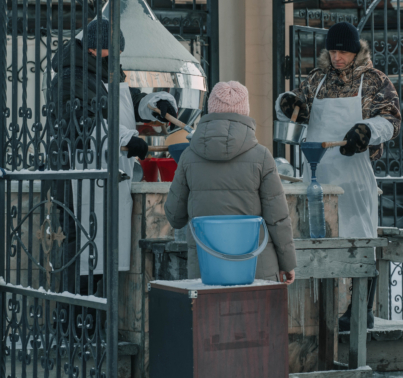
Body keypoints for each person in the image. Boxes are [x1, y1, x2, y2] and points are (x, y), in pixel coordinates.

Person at [274, 21, 401, 329]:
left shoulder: (374, 80)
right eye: (333, 51)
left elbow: (392, 119)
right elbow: (295, 111)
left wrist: (366, 131)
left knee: (359, 238)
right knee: (315, 236)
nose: (337, 57)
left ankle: (359, 309)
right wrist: (286, 103)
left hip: (354, 173)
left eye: (343, 52)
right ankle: (318, 309)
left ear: (355, 50)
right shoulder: (316, 79)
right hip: (317, 170)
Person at [48, 18, 178, 295]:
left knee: (101, 245)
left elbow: (129, 100)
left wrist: (155, 104)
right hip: (76, 173)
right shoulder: (71, 77)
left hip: (107, 173)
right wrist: (125, 139)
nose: (117, 56)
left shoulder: (104, 72)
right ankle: (75, 320)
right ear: (94, 49)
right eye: (112, 50)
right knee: (80, 242)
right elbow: (82, 122)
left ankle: (96, 321)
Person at [165, 81, 297, 284]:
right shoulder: (262, 156)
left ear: (211, 109)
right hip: (255, 269)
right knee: (255, 316)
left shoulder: (188, 156)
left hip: (207, 270)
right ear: (244, 112)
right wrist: (287, 264)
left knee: (209, 316)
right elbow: (277, 218)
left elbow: (175, 217)